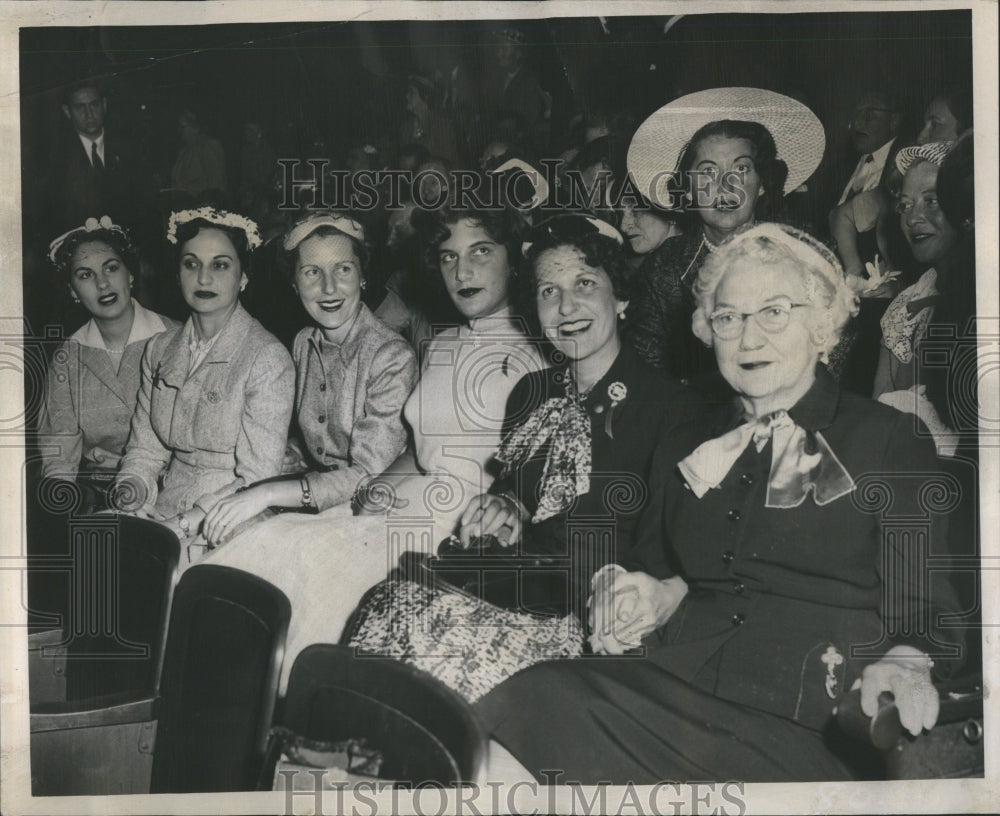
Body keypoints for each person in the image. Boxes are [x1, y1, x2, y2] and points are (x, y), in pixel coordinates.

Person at [475, 223, 964, 783]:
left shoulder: (884, 438)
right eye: (728, 318)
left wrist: (906, 661)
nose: (748, 339)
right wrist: (646, 592)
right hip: (677, 680)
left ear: (823, 323)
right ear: (708, 330)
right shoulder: (689, 437)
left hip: (812, 711)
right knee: (529, 697)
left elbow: (930, 609)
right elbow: (660, 565)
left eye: (774, 312)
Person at [195, 203, 545, 691]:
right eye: (448, 257)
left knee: (312, 566)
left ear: (513, 260)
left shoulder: (537, 356)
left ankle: (292, 712)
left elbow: (531, 478)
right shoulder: (442, 344)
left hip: (459, 524)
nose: (462, 271)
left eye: (481, 252)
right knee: (259, 552)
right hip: (400, 501)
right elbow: (419, 444)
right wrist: (376, 491)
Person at [348, 214, 695, 702]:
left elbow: (668, 558)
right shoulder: (532, 391)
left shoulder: (671, 408)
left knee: (431, 659)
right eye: (549, 291)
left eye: (585, 284)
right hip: (519, 578)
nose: (566, 306)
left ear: (621, 298)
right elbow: (519, 497)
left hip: (587, 610)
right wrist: (507, 508)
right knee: (386, 609)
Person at [200, 213, 417, 543]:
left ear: (362, 276)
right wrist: (293, 453)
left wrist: (267, 493)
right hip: (319, 498)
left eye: (343, 269)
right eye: (312, 272)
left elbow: (368, 475)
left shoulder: (391, 356)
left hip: (372, 510)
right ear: (294, 284)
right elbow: (319, 438)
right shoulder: (304, 342)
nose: (328, 287)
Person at [113, 207, 294, 546]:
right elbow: (145, 450)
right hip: (165, 507)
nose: (204, 278)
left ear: (243, 277)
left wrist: (181, 525)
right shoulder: (159, 349)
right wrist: (130, 492)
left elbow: (257, 479)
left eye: (221, 265)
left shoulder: (267, 358)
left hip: (233, 519)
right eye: (191, 264)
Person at [624, 87, 825, 382]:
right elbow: (647, 372)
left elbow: (829, 357)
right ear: (688, 190)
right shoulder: (664, 267)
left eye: (741, 168)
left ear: (763, 183)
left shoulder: (806, 250)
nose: (724, 186)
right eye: (707, 172)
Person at [37, 216, 177, 503]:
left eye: (111, 268)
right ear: (73, 292)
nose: (102, 284)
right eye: (85, 275)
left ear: (131, 275)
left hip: (175, 489)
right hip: (99, 495)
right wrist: (59, 502)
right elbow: (59, 452)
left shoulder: (177, 338)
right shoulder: (67, 357)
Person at [874, 141, 974, 456]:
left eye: (931, 201)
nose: (913, 217)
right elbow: (879, 425)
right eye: (905, 204)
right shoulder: (903, 308)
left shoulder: (981, 294)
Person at [170, 109, 229, 204]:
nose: (179, 130)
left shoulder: (208, 147)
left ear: (196, 128)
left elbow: (216, 184)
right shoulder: (184, 152)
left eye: (183, 126)